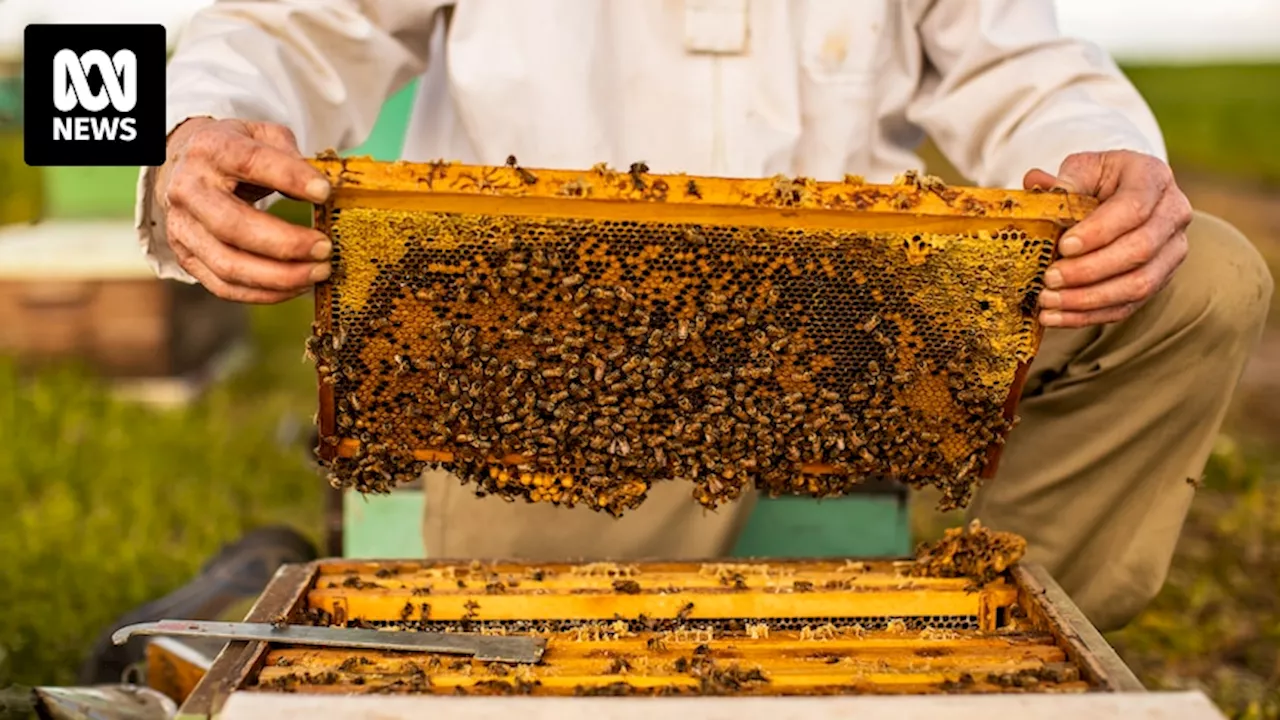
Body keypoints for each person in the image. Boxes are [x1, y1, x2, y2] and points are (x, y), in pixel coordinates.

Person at [136, 0, 1272, 632]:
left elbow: (1021, 56)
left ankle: (987, 637)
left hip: (845, 324)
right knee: (536, 657)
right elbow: (286, 23)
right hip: (555, 343)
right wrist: (200, 128)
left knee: (1194, 280)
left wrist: (1094, 153)